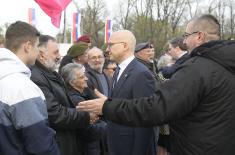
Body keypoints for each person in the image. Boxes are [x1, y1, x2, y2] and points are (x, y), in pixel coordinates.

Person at [78, 14, 235, 155]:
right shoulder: (224, 65)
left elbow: (157, 108)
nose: (184, 42)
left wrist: (107, 106)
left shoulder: (198, 68)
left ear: (200, 36)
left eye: (186, 36)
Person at [82, 30, 156, 155]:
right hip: (117, 144)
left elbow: (145, 118)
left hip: (130, 147)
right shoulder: (119, 70)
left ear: (125, 46)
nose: (107, 49)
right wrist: (105, 106)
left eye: (111, 45)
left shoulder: (141, 74)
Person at [30, 35, 97, 155]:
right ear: (41, 54)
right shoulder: (37, 77)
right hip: (57, 144)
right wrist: (86, 116)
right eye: (55, 53)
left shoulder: (49, 73)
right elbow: (54, 114)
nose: (59, 57)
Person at [0, 21, 59, 155]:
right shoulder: (22, 88)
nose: (39, 51)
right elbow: (40, 145)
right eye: (37, 45)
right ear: (27, 46)